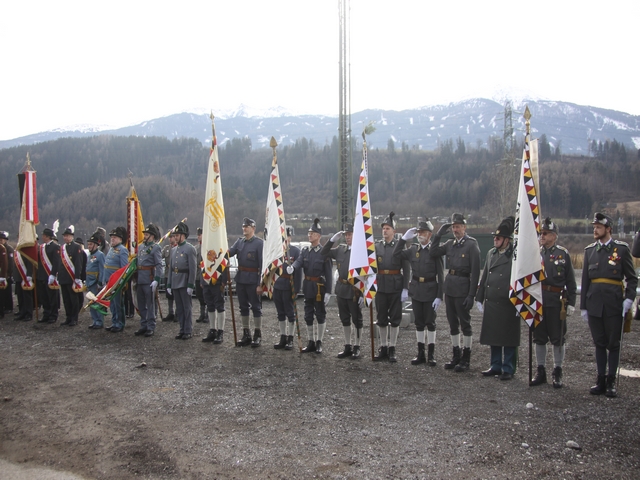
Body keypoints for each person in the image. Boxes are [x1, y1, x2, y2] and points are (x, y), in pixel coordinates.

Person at [581, 212, 637, 397]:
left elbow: (632, 277)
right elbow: (586, 280)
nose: (595, 230)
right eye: (594, 226)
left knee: (613, 344)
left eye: (598, 227)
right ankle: (601, 379)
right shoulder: (589, 251)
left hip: (614, 304)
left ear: (608, 229)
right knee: (599, 343)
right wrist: (583, 306)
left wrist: (628, 299)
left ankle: (612, 379)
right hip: (594, 303)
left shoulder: (621, 249)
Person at [429, 212, 481, 372]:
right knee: (453, 325)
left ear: (464, 227)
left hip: (463, 288)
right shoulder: (450, 244)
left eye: (458, 226)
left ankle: (466, 357)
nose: (455, 229)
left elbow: (475, 272)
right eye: (453, 227)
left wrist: (472, 295)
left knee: (465, 324)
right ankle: (456, 355)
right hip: (450, 288)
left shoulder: (471, 245)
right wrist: (438, 234)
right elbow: (433, 252)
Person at [529, 218, 577, 388]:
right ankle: (540, 370)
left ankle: (558, 370)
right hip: (538, 300)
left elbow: (570, 281)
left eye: (546, 233)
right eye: (541, 233)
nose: (542, 236)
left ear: (554, 236)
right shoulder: (535, 253)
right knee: (539, 337)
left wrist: (571, 302)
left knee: (558, 338)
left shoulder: (562, 254)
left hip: (556, 301)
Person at [394, 218, 444, 366]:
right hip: (416, 290)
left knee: (431, 323)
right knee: (419, 323)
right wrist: (403, 239)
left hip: (430, 291)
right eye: (418, 232)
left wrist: (439, 296)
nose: (420, 234)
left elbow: (441, 275)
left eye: (423, 232)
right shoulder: (413, 250)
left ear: (429, 234)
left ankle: (431, 354)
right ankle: (420, 353)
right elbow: (396, 254)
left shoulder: (434, 251)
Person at [476, 216, 519, 380]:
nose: (495, 240)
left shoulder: (514, 255)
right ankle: (495, 365)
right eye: (495, 237)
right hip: (492, 301)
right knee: (493, 335)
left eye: (498, 238)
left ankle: (508, 368)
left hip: (509, 302)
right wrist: (479, 298)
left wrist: (520, 303)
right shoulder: (491, 253)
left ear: (507, 240)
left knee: (508, 337)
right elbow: (485, 275)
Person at [289, 218, 333, 353]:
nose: (309, 235)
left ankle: (319, 342)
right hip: (308, 286)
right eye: (309, 233)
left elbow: (329, 273)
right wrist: (293, 268)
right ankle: (311, 341)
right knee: (308, 315)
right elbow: (299, 262)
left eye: (312, 233)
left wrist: (328, 292)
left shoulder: (324, 252)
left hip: (319, 287)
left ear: (318, 236)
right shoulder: (305, 251)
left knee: (320, 314)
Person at [321, 223, 364, 358]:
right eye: (346, 235)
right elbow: (324, 252)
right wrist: (332, 240)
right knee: (345, 318)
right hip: (341, 289)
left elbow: (366, 274)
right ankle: (347, 345)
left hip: (354, 290)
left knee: (357, 319)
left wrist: (363, 292)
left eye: (350, 234)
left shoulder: (361, 252)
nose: (348, 237)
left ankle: (357, 346)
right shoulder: (340, 249)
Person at [373, 212, 410, 362]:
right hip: (381, 286)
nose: (385, 231)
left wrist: (405, 288)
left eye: (388, 228)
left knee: (395, 318)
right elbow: (372, 267)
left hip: (395, 286)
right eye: (383, 228)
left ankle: (392, 347)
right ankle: (383, 347)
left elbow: (406, 268)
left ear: (394, 231)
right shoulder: (376, 247)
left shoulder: (400, 246)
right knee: (381, 318)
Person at [228, 217, 264, 347]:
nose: (244, 229)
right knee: (243, 307)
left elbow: (262, 265)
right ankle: (246, 333)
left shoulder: (259, 244)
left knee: (255, 307)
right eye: (243, 227)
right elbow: (229, 253)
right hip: (241, 278)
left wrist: (261, 284)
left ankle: (257, 334)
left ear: (253, 228)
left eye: (247, 227)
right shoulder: (239, 242)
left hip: (253, 279)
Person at [272, 227, 301, 350]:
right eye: (284, 237)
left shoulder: (295, 251)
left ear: (291, 238)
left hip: (289, 286)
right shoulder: (277, 251)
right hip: (277, 284)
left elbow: (298, 273)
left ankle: (290, 337)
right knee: (280, 313)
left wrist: (297, 289)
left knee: (290, 313)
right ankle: (283, 336)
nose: (286, 239)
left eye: (288, 237)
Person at [167, 221, 197, 340]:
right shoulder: (174, 250)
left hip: (184, 281)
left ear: (183, 236)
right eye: (174, 235)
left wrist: (191, 284)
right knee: (179, 308)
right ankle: (181, 329)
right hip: (175, 280)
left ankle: (188, 330)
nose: (175, 237)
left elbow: (193, 268)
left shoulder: (190, 249)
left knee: (186, 307)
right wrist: (169, 284)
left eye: (177, 235)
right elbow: (170, 269)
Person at [134, 223, 164, 338]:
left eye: (147, 234)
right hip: (140, 278)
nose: (145, 236)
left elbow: (159, 265)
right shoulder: (141, 247)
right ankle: (143, 324)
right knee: (141, 303)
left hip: (149, 279)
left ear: (152, 236)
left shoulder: (156, 248)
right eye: (145, 234)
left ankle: (151, 326)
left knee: (150, 304)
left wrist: (157, 279)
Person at [53, 226, 84, 326]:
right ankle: (68, 317)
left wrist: (77, 277)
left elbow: (78, 263)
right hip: (63, 278)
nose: (65, 238)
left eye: (67, 236)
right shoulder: (62, 248)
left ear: (72, 237)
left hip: (71, 278)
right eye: (64, 236)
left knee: (73, 299)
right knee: (66, 300)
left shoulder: (76, 247)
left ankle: (74, 318)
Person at [103, 226, 129, 332]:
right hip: (109, 282)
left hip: (116, 283)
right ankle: (114, 322)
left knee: (118, 304)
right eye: (112, 237)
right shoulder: (111, 249)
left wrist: (121, 283)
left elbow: (124, 268)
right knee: (112, 304)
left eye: (115, 237)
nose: (112, 239)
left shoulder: (122, 250)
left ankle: (119, 323)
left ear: (120, 239)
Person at [36, 226, 61, 324]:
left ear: (48, 236)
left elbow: (56, 262)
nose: (42, 237)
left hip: (50, 275)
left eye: (44, 235)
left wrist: (53, 274)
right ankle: (46, 314)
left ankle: (53, 315)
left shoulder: (55, 247)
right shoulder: (42, 247)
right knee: (44, 297)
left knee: (52, 298)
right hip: (42, 275)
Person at [86, 233, 106, 329]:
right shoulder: (89, 255)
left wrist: (100, 282)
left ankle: (99, 321)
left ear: (96, 245)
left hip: (96, 282)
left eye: (91, 244)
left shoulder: (100, 255)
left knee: (97, 302)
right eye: (88, 244)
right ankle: (94, 320)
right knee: (91, 303)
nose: (89, 246)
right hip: (89, 282)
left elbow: (102, 269)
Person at [161, 232, 177, 322]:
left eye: (172, 237)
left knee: (176, 294)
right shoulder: (166, 248)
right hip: (168, 274)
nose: (170, 239)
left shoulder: (178, 248)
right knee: (168, 294)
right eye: (169, 237)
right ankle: (170, 312)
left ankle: (177, 313)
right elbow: (160, 256)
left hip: (176, 274)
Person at [194, 227, 207, 323]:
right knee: (199, 295)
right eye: (198, 235)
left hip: (206, 275)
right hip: (198, 275)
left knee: (206, 295)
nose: (198, 236)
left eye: (200, 234)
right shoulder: (196, 248)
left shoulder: (208, 247)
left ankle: (207, 314)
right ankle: (202, 314)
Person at [0, 231, 14, 314]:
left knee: (8, 291)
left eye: (2, 239)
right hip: (2, 273)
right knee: (2, 292)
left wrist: (9, 273)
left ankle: (9, 307)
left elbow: (10, 262)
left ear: (5, 240)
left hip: (7, 273)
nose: (1, 241)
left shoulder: (9, 249)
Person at [0, 240, 8, 319]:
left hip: (0, 274)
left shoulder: (2, 248)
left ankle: (1, 312)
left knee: (1, 295)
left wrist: (2, 275)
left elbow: (4, 262)